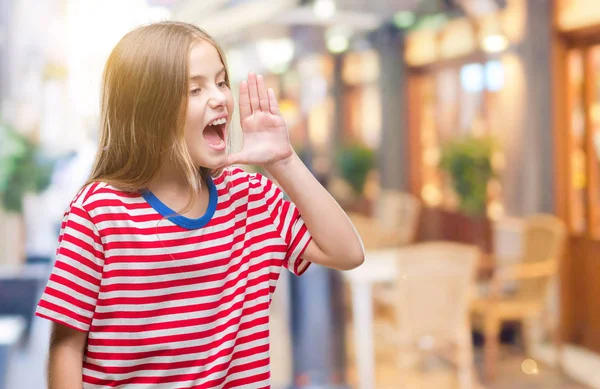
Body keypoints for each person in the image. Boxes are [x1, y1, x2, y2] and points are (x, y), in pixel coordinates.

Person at [35, 21, 364, 389]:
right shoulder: (98, 212)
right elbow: (66, 347)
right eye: (195, 88)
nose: (220, 97)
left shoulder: (251, 197)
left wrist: (283, 161)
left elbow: (347, 253)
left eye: (221, 81)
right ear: (149, 112)